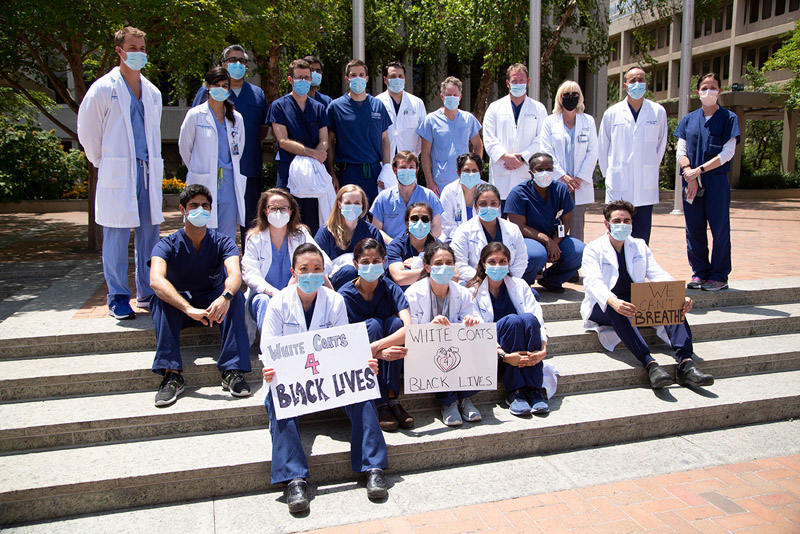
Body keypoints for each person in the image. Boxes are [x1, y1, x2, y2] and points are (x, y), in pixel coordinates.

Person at [261, 243, 387, 512]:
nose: (311, 274)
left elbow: (343, 346)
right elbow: (268, 348)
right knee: (277, 396)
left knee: (363, 390)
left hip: (329, 381)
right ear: (293, 271)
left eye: (317, 269)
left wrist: (363, 364)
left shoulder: (334, 301)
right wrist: (270, 370)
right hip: (294, 382)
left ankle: (373, 466)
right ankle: (294, 479)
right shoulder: (278, 303)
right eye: (304, 269)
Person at [77, 26, 163, 319]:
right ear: (119, 51)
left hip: (147, 172)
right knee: (114, 235)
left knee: (149, 236)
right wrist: (104, 161)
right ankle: (117, 296)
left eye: (142, 47)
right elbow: (87, 131)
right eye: (133, 48)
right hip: (118, 171)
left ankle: (148, 292)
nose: (139, 53)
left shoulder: (152, 92)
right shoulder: (103, 88)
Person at [581, 200, 715, 389]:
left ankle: (686, 363)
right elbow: (593, 282)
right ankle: (650, 364)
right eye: (617, 220)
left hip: (636, 302)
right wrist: (613, 301)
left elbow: (657, 273)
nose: (622, 225)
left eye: (627, 221)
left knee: (672, 303)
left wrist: (679, 295)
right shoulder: (593, 249)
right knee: (619, 310)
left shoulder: (639, 245)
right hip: (603, 306)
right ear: (606, 224)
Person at [149, 184, 251, 407]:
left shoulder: (222, 241)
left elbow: (235, 274)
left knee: (235, 298)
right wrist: (187, 308)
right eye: (193, 205)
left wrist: (224, 297)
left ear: (211, 210)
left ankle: (232, 371)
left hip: (212, 306)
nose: (200, 210)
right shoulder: (166, 244)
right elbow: (155, 280)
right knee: (159, 299)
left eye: (205, 205)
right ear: (182, 210)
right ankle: (171, 374)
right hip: (182, 308)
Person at [192, 45, 268, 243]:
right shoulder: (206, 92)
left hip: (248, 167)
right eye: (232, 60)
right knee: (213, 223)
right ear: (223, 64)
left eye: (242, 61)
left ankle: (247, 266)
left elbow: (261, 130)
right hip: (215, 171)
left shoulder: (257, 94)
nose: (237, 64)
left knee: (250, 221)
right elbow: (190, 139)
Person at [339, 238, 414, 431]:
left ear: (384, 262)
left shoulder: (390, 288)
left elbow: (408, 328)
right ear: (355, 265)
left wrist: (375, 347)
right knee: (372, 325)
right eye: (365, 262)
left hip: (377, 348)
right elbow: (344, 340)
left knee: (395, 323)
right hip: (356, 359)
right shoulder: (345, 295)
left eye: (376, 261)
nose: (371, 266)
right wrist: (376, 352)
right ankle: (378, 400)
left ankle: (392, 398)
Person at [466, 243, 551, 415]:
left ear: (509, 263)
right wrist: (504, 355)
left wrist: (542, 350)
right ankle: (516, 392)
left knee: (528, 318)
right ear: (483, 263)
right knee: (512, 321)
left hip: (525, 348)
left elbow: (537, 319)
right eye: (492, 261)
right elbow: (479, 332)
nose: (498, 266)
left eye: (503, 261)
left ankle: (534, 388)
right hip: (494, 352)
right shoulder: (471, 292)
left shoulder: (519, 285)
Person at [674, 72, 740, 292]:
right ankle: (700, 273)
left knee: (719, 228)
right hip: (690, 182)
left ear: (719, 91)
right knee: (694, 228)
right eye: (704, 87)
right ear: (698, 92)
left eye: (713, 87)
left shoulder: (729, 118)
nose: (708, 91)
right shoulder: (689, 120)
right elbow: (681, 150)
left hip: (716, 182)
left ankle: (719, 275)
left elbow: (728, 152)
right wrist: (688, 172)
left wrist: (699, 171)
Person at [405, 242, 483, 426]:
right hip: (427, 352)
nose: (444, 267)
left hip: (458, 349)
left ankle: (465, 399)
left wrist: (470, 323)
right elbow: (411, 331)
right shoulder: (413, 294)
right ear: (427, 267)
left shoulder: (463, 293)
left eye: (449, 262)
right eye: (438, 263)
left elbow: (474, 319)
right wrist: (430, 328)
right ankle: (448, 403)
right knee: (442, 344)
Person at [241, 188, 330, 330]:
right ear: (265, 211)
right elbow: (250, 274)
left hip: (296, 294)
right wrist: (275, 293)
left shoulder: (301, 235)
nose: (278, 212)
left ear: (291, 211)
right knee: (264, 301)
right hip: (265, 296)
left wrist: (293, 284)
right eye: (273, 208)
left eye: (283, 208)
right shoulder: (255, 238)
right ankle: (270, 349)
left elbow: (324, 262)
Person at [598, 67, 668, 244]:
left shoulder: (657, 112)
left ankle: (638, 270)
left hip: (645, 184)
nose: (637, 83)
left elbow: (660, 146)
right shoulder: (612, 113)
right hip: (619, 182)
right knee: (618, 231)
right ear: (625, 85)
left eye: (641, 79)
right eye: (632, 80)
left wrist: (650, 168)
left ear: (646, 83)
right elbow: (603, 148)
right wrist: (609, 176)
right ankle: (618, 270)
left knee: (642, 235)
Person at [179, 67, 246, 242]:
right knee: (201, 233)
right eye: (217, 85)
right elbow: (185, 148)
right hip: (203, 180)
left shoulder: (236, 118)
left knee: (226, 236)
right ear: (207, 86)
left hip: (229, 184)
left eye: (225, 86)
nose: (221, 89)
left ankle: (225, 270)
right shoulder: (195, 115)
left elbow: (239, 149)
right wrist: (199, 168)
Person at [505, 153, 585, 292]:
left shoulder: (561, 190)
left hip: (555, 237)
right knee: (536, 255)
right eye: (539, 169)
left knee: (580, 251)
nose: (545, 173)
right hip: (528, 239)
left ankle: (552, 280)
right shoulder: (518, 193)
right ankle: (524, 285)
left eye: (549, 169)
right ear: (531, 173)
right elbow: (519, 227)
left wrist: (555, 241)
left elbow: (565, 221)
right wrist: (547, 241)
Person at [268, 58, 330, 236]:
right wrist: (313, 154)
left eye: (307, 78)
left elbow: (324, 140)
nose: (303, 82)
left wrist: (319, 153)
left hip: (314, 173)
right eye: (299, 78)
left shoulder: (318, 108)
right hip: (289, 170)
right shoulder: (279, 106)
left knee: (313, 221)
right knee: (285, 218)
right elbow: (283, 141)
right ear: (290, 80)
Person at [326, 59, 393, 205]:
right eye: (353, 75)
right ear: (347, 79)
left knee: (377, 216)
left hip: (374, 172)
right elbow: (329, 142)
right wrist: (332, 174)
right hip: (348, 171)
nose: (358, 78)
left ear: (367, 78)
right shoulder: (336, 107)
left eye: (361, 74)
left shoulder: (377, 105)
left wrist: (386, 170)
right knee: (350, 216)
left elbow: (385, 140)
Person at [540, 80, 598, 243]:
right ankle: (558, 263)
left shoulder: (588, 121)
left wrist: (579, 177)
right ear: (560, 98)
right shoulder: (550, 122)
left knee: (577, 229)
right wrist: (563, 176)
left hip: (579, 185)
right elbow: (546, 151)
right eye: (566, 95)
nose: (570, 98)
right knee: (556, 227)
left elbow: (593, 152)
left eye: (574, 94)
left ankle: (575, 266)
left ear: (580, 98)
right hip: (558, 182)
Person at [482, 63, 548, 206]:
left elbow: (542, 138)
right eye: (514, 81)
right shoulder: (495, 108)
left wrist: (523, 157)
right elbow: (489, 138)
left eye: (521, 81)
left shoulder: (538, 109)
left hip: (526, 173)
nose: (518, 84)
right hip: (501, 175)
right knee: (502, 222)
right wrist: (505, 157)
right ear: (508, 83)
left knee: (525, 224)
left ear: (528, 82)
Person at [418, 77, 484, 196]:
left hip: (465, 182)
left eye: (455, 95)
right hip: (440, 184)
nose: (452, 98)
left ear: (460, 96)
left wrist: (475, 170)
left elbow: (478, 145)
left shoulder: (468, 119)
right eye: (449, 95)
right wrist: (429, 182)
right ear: (442, 96)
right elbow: (425, 153)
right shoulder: (431, 120)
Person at [450, 183, 528, 282]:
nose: (488, 207)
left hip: (507, 280)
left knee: (532, 294)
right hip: (476, 282)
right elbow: (459, 264)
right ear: (475, 206)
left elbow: (521, 260)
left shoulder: (513, 229)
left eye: (493, 203)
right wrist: (486, 280)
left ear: (499, 205)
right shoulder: (463, 231)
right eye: (483, 204)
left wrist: (508, 280)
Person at [315, 185, 386, 290]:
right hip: (334, 285)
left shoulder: (371, 231)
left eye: (357, 203)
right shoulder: (327, 231)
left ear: (363, 206)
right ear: (339, 204)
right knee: (350, 271)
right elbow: (317, 263)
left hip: (368, 281)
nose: (352, 206)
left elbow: (382, 261)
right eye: (348, 203)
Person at [370, 150, 443, 240]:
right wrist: (395, 246)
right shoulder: (383, 198)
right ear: (394, 170)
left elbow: (437, 228)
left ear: (417, 170)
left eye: (411, 167)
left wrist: (422, 243)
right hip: (390, 249)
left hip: (422, 249)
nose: (407, 171)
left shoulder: (429, 196)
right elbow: (377, 229)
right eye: (403, 168)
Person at [376, 60, 427, 157]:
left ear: (404, 79)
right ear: (385, 80)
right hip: (383, 162)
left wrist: (413, 155)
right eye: (393, 76)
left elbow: (423, 136)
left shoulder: (417, 103)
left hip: (409, 161)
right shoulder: (377, 102)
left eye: (400, 76)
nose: (397, 79)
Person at [386, 202, 439, 289]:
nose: (420, 222)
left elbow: (454, 275)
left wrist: (418, 264)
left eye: (425, 219)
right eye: (415, 218)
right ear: (407, 223)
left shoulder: (438, 246)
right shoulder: (396, 246)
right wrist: (435, 270)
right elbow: (400, 278)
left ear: (431, 224)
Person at [439, 153, 484, 241]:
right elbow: (447, 225)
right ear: (458, 173)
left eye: (474, 171)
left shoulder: (489, 191)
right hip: (454, 239)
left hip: (482, 239)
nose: (471, 174)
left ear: (480, 173)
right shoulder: (449, 191)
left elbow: (492, 221)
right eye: (466, 170)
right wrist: (466, 238)